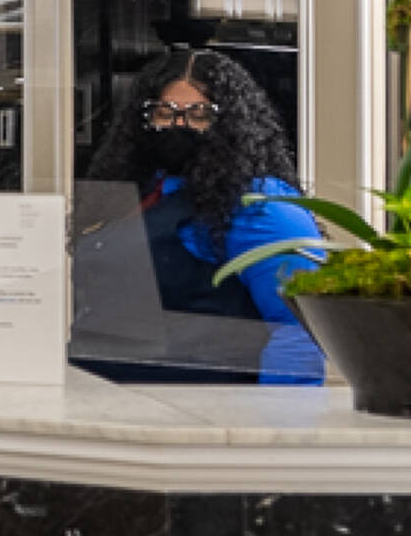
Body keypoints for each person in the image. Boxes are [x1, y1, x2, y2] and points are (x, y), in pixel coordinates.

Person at [85, 49, 322, 348]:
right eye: (164, 113)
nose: (178, 125)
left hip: (204, 376)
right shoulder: (142, 190)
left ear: (232, 123)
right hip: (99, 371)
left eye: (199, 115)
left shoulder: (261, 207)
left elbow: (300, 332)